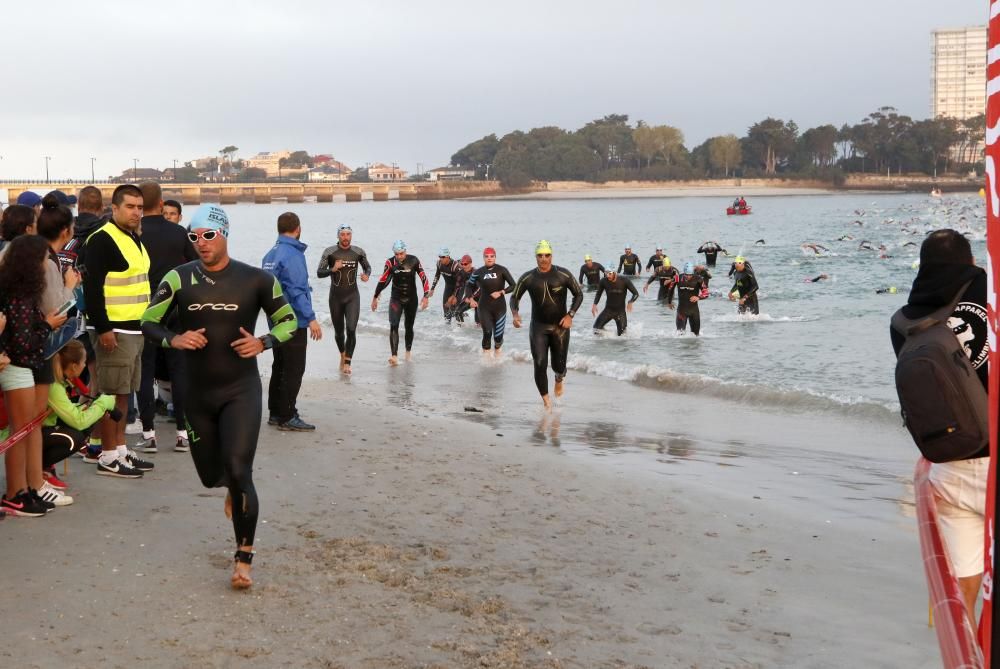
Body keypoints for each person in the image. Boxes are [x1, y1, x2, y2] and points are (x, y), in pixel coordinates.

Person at [141, 203, 297, 589]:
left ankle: (244, 556)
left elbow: (290, 321)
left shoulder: (256, 279)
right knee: (213, 476)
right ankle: (228, 485)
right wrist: (174, 338)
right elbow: (148, 320)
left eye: (208, 235)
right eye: (194, 237)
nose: (201, 243)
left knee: (241, 471)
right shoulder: (178, 279)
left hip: (240, 389)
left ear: (225, 234)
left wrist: (263, 342)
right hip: (195, 392)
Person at [890, 229, 989, 627]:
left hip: (949, 466)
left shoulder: (903, 323)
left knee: (961, 588)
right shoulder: (991, 296)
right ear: (969, 262)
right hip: (993, 462)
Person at [82, 184, 154, 478]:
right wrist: (103, 328)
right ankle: (107, 455)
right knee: (110, 394)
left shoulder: (133, 238)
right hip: (114, 330)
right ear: (114, 208)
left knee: (124, 393)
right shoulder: (102, 240)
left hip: (135, 330)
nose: (136, 212)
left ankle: (121, 449)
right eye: (130, 207)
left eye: (139, 207)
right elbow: (93, 289)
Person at [0, 235, 66, 515]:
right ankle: (16, 493)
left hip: (18, 366)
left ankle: (23, 491)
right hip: (18, 367)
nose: (45, 265)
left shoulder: (14, 291)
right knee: (21, 432)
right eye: (43, 260)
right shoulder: (21, 296)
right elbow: (24, 341)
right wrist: (48, 325)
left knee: (23, 431)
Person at [136, 182, 198, 453]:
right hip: (176, 306)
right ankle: (183, 433)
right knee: (179, 368)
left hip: (143, 307)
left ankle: (148, 433)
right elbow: (196, 266)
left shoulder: (133, 234)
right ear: (161, 203)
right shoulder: (178, 233)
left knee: (145, 370)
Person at [262, 212, 322, 431]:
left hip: (275, 320)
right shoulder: (293, 255)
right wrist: (311, 318)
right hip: (292, 320)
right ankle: (287, 415)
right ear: (298, 229)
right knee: (294, 368)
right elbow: (297, 291)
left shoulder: (270, 254)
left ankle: (275, 413)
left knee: (280, 365)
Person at [510, 240, 583, 410]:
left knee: (559, 366)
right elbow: (514, 297)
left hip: (560, 328)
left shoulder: (563, 274)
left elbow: (578, 294)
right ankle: (547, 403)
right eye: (540, 255)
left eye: (547, 255)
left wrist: (570, 315)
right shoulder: (528, 277)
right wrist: (515, 313)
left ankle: (559, 379)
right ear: (535, 256)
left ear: (552, 255)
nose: (544, 259)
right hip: (538, 327)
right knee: (540, 362)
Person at [39, 340, 117, 499]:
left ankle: (43, 468)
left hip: (43, 429)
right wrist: (102, 404)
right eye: (83, 362)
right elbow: (78, 421)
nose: (84, 365)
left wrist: (94, 408)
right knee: (74, 438)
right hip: (28, 435)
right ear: (74, 366)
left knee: (87, 423)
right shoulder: (54, 385)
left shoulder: (59, 380)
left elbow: (70, 413)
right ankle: (39, 470)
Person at [317, 223, 370, 374]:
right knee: (339, 332)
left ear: (351, 235)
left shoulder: (358, 252)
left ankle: (348, 362)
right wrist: (332, 269)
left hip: (353, 296)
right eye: (342, 234)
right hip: (335, 298)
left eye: (348, 234)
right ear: (338, 236)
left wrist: (367, 275)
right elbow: (319, 272)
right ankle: (342, 354)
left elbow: (368, 267)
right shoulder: (330, 252)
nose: (345, 237)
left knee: (351, 329)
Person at [372, 240, 429, 366]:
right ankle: (394, 356)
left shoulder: (414, 260)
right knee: (394, 324)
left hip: (411, 299)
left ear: (405, 251)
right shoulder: (390, 262)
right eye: (396, 254)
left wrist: (426, 296)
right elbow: (384, 280)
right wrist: (375, 296)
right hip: (396, 298)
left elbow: (423, 277)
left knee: (409, 326)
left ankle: (408, 353)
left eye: (401, 254)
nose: (399, 257)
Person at [464, 247, 516, 356]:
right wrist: (471, 299)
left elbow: (513, 285)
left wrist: (501, 292)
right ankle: (486, 362)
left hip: (500, 308)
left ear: (495, 257)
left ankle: (497, 354)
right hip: (484, 307)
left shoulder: (502, 270)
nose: (489, 258)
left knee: (498, 337)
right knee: (487, 333)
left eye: (492, 256)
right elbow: (468, 285)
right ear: (483, 258)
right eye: (487, 256)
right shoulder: (478, 272)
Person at [591, 264, 637, 336]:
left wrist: (630, 302)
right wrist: (594, 304)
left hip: (620, 312)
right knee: (596, 330)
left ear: (614, 272)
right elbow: (598, 294)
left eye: (610, 273)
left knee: (622, 336)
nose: (608, 276)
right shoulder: (603, 281)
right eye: (606, 273)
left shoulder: (624, 280)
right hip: (608, 310)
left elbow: (636, 294)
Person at [672, 262, 706, 336]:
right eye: (686, 274)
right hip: (681, 311)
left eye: (690, 275)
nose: (688, 276)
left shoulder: (699, 279)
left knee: (696, 335)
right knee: (679, 335)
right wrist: (669, 302)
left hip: (694, 311)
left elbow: (706, 293)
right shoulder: (677, 278)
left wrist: (698, 297)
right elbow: (670, 288)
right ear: (684, 273)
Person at [428, 247, 461, 323]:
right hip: (448, 287)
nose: (441, 259)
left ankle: (460, 328)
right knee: (446, 309)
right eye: (439, 257)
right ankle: (447, 331)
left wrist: (453, 296)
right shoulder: (439, 264)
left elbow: (460, 283)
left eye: (443, 257)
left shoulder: (455, 267)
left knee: (455, 309)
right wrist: (432, 289)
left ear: (448, 257)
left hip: (458, 288)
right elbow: (437, 275)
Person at [449, 255, 475, 323]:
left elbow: (480, 288)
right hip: (468, 295)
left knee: (478, 321)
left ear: (470, 263)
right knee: (457, 312)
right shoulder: (461, 273)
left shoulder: (476, 273)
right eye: (462, 264)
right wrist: (454, 296)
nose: (464, 266)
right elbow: (458, 286)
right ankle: (461, 329)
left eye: (465, 264)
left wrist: (471, 298)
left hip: (478, 296)